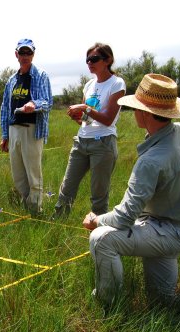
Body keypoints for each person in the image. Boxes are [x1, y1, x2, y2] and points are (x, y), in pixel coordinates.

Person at [83, 74, 180, 308]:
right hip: (177, 229)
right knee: (162, 301)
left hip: (166, 232)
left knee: (101, 239)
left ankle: (108, 305)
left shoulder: (151, 160)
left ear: (144, 113)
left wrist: (97, 220)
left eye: (136, 108)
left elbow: (125, 217)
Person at [54, 43, 126, 218]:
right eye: (87, 60)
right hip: (82, 141)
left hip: (103, 143)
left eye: (94, 59)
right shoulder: (89, 85)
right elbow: (88, 120)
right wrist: (78, 117)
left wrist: (85, 108)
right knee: (67, 187)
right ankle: (57, 223)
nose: (89, 63)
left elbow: (108, 120)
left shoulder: (117, 84)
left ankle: (98, 232)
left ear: (108, 60)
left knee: (98, 193)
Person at [0, 38, 53, 215]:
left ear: (33, 54)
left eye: (28, 52)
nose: (25, 56)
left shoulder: (40, 75)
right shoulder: (12, 80)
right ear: (16, 54)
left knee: (33, 175)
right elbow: (5, 109)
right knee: (18, 175)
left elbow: (47, 102)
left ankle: (36, 211)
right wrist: (5, 135)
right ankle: (26, 207)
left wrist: (34, 105)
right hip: (14, 130)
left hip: (31, 131)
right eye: (22, 52)